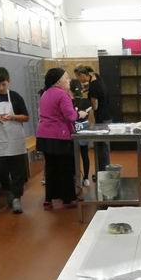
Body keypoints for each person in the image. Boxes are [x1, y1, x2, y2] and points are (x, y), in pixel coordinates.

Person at [0, 66, 30, 214]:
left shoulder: (16, 97)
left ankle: (16, 199)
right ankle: (9, 190)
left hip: (15, 139)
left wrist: (13, 117)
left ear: (9, 82)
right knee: (0, 169)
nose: (1, 87)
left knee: (18, 171)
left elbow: (26, 117)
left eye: (4, 84)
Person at [37, 67, 88, 209]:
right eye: (66, 78)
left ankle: (49, 199)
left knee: (51, 168)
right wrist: (81, 115)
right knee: (65, 167)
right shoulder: (62, 95)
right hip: (59, 136)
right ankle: (68, 199)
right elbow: (70, 116)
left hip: (44, 136)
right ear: (58, 81)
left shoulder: (45, 94)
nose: (69, 80)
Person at [74, 65, 111, 176]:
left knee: (101, 147)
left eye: (78, 77)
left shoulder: (94, 86)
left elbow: (95, 106)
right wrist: (88, 89)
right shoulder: (98, 80)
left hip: (101, 118)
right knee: (103, 147)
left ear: (83, 75)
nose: (79, 80)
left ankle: (103, 173)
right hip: (107, 116)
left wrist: (87, 103)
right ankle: (103, 171)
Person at [70, 78, 92, 186]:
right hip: (84, 130)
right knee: (84, 154)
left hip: (73, 130)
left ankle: (75, 178)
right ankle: (86, 178)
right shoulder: (87, 102)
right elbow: (88, 115)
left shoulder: (69, 102)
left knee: (73, 156)